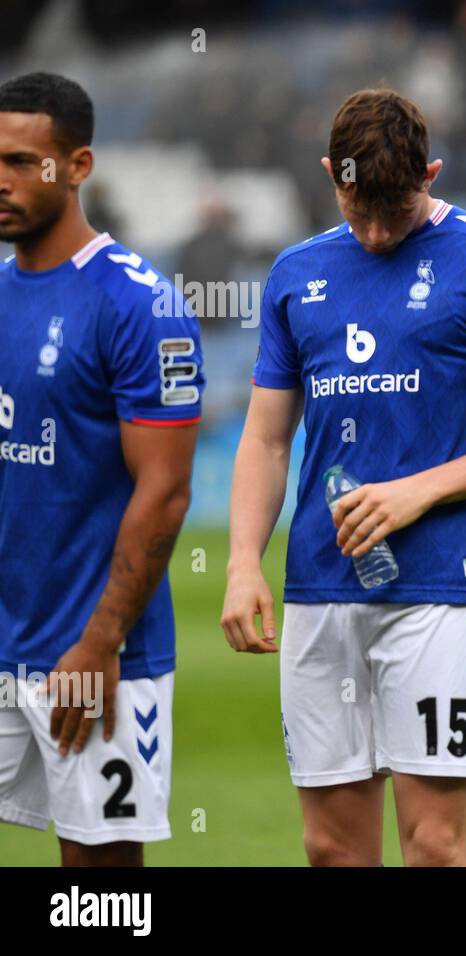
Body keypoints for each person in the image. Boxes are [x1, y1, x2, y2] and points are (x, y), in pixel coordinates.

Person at [220, 88, 466, 867]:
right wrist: (244, 563)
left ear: (433, 173)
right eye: (357, 209)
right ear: (328, 177)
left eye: (395, 211)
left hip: (439, 590)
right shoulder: (295, 272)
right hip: (319, 587)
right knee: (332, 851)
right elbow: (267, 439)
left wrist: (420, 490)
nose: (376, 233)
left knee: (437, 847)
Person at [0, 72, 203, 865]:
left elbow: (167, 489)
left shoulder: (137, 305)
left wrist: (100, 638)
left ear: (77, 166)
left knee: (101, 881)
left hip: (91, 650)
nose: (2, 181)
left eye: (23, 162)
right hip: (4, 636)